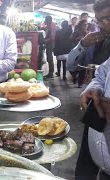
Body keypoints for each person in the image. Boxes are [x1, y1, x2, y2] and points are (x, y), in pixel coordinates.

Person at [67, 1, 110, 179]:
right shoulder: (101, 39)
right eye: (100, 20)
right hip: (98, 119)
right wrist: (94, 88)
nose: (102, 25)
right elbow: (101, 73)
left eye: (107, 19)